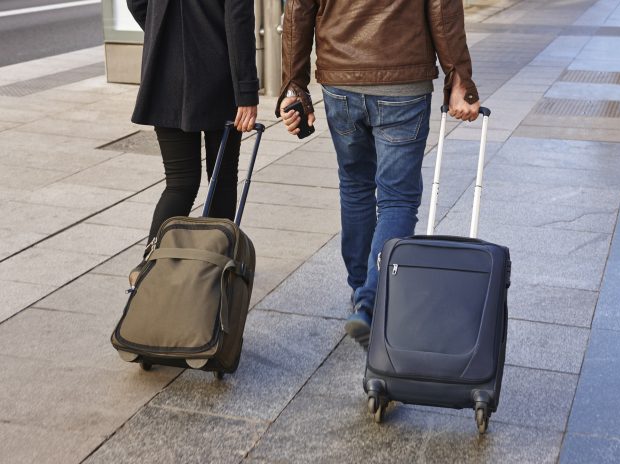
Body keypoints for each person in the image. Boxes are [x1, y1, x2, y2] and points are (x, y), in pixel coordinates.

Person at [278, 0, 481, 349]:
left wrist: (294, 84)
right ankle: (372, 298)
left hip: (340, 80)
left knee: (355, 186)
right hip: (403, 79)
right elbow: (443, 7)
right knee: (397, 199)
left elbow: (298, 8)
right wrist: (459, 76)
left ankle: (360, 289)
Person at [126, 0, 259, 252]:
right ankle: (210, 269)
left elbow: (136, 3)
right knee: (222, 178)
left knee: (180, 183)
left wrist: (167, 38)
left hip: (166, 75)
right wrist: (247, 91)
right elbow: (238, 19)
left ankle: (150, 268)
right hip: (218, 73)